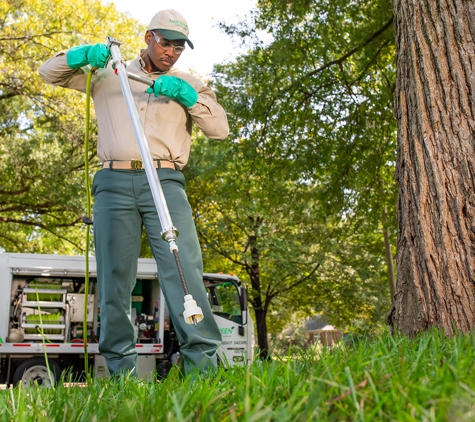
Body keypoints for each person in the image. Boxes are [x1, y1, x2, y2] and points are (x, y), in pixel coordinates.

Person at [39, 9, 228, 377]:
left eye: (178, 47)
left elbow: (219, 128)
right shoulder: (109, 73)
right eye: (165, 43)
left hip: (166, 182)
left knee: (184, 270)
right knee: (114, 278)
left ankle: (202, 369)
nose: (171, 52)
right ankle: (119, 374)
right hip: (114, 183)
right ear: (148, 37)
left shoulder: (188, 80)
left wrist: (187, 96)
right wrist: (81, 55)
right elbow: (48, 72)